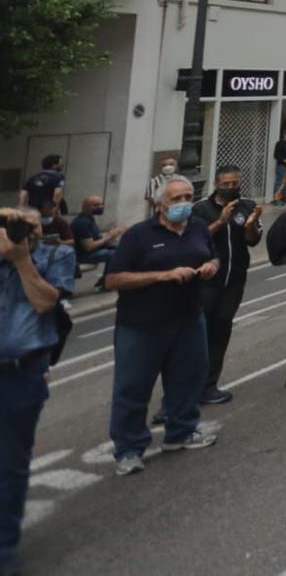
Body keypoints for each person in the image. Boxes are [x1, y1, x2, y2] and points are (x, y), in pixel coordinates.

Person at [103, 176, 220, 473]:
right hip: (141, 325)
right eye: (176, 199)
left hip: (189, 320)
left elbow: (213, 257)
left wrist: (210, 267)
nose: (183, 203)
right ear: (159, 204)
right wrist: (162, 276)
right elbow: (114, 279)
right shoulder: (139, 236)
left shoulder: (197, 229)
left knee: (187, 379)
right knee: (133, 388)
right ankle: (128, 450)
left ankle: (180, 431)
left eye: (187, 197)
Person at [0, 206, 72, 575]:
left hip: (20, 375)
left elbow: (46, 301)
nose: (20, 230)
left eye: (29, 225)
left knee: (10, 462)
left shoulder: (57, 255)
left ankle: (4, 544)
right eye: (13, 223)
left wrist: (21, 260)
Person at [189, 168, 261, 403]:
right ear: (216, 184)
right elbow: (193, 240)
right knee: (197, 334)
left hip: (234, 280)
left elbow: (252, 240)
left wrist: (251, 225)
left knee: (221, 329)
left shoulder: (246, 206)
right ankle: (180, 393)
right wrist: (220, 222)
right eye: (226, 183)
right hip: (207, 282)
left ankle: (209, 385)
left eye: (235, 183)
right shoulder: (201, 209)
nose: (231, 187)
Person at [68, 195, 121, 287]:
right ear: (86, 207)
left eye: (101, 204)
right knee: (115, 254)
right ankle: (107, 281)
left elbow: (96, 237)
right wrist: (108, 237)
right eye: (96, 205)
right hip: (83, 255)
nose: (100, 207)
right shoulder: (82, 223)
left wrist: (111, 234)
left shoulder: (89, 219)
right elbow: (89, 247)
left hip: (89, 252)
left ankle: (106, 279)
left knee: (120, 248)